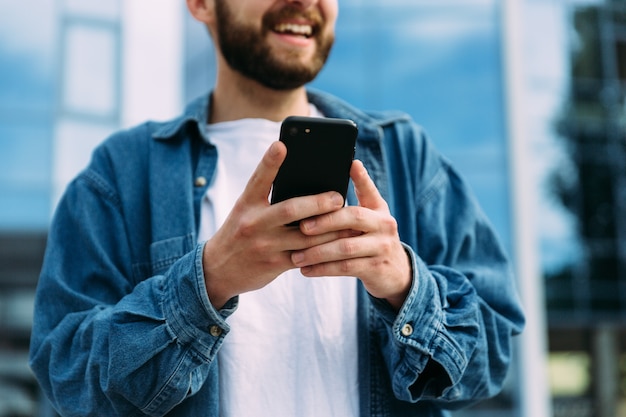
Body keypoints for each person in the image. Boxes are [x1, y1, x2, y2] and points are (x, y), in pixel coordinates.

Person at [29, 0, 525, 416]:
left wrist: (406, 288)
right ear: (201, 4)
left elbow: (496, 348)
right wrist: (206, 284)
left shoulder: (407, 158)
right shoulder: (122, 175)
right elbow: (65, 373)